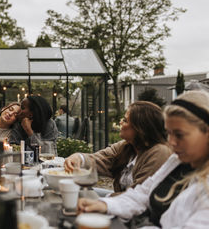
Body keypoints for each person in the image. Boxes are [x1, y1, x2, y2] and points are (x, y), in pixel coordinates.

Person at [78, 91, 209, 228]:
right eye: (168, 133)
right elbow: (143, 193)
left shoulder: (162, 154)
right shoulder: (177, 161)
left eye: (179, 135)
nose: (171, 142)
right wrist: (103, 204)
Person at [65, 101, 172, 196]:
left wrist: (103, 202)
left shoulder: (159, 152)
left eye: (125, 120)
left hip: (137, 210)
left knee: (80, 195)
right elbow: (99, 159)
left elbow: (137, 195)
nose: (120, 122)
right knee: (76, 191)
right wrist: (78, 157)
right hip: (121, 200)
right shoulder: (126, 146)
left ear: (140, 127)